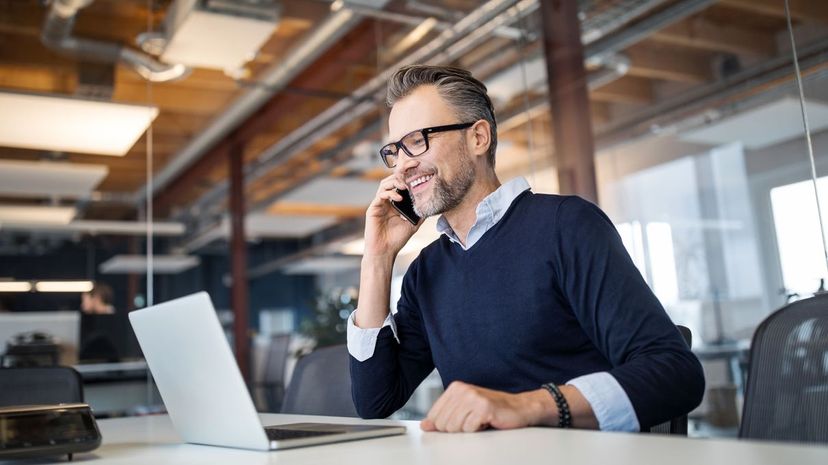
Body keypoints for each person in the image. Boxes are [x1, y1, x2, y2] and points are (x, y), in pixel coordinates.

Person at [347, 65, 704, 433]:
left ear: (478, 138)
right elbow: (376, 401)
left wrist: (528, 406)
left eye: (418, 140)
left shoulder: (566, 226)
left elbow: (675, 373)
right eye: (394, 150)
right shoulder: (427, 271)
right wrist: (377, 258)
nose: (403, 165)